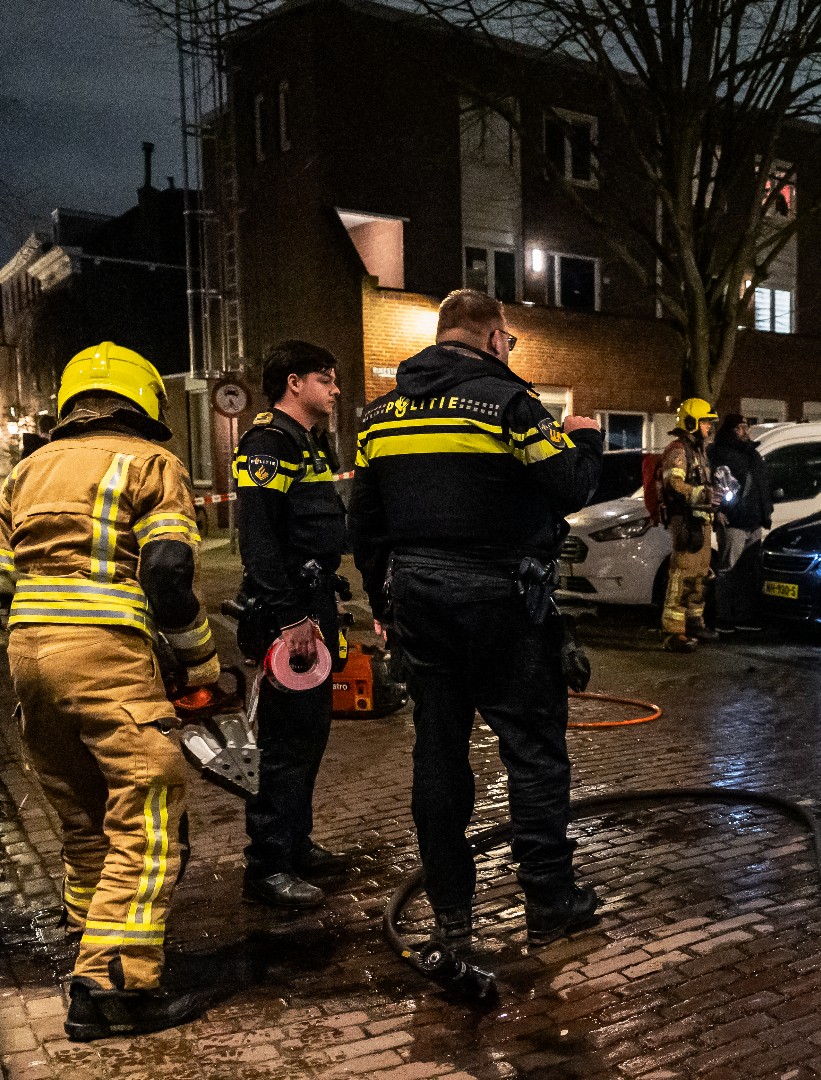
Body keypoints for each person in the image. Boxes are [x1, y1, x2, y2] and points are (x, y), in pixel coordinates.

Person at [350, 290, 604, 953]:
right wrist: (586, 439)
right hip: (502, 604)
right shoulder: (511, 406)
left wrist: (385, 609)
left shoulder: (378, 418)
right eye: (509, 343)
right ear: (494, 339)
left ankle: (451, 918)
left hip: (420, 602)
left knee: (437, 754)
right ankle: (551, 901)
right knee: (533, 749)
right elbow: (570, 488)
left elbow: (365, 526)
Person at [0, 342, 219, 1041]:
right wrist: (200, 662)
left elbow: (3, 581)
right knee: (148, 814)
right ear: (144, 400)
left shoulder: (23, 473)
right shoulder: (152, 463)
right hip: (108, 658)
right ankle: (116, 988)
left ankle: (89, 961)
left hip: (29, 659)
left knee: (84, 820)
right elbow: (170, 573)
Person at [231, 340, 350, 908]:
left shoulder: (307, 445)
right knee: (282, 744)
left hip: (311, 606)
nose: (334, 389)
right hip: (288, 615)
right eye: (326, 379)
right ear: (295, 383)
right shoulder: (267, 444)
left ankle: (296, 845)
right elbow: (257, 543)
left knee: (309, 736)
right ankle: (268, 866)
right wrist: (292, 617)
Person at [657, 398, 719, 651]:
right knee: (682, 576)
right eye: (705, 421)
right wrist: (701, 495)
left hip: (701, 521)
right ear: (691, 422)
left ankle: (694, 623)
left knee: (699, 575)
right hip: (686, 521)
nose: (708, 427)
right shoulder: (679, 450)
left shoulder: (697, 450)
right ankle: (673, 634)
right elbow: (674, 485)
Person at [705, 413, 771, 631]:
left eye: (747, 427)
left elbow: (761, 485)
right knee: (728, 570)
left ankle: (744, 616)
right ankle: (724, 617)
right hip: (733, 521)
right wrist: (719, 512)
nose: (746, 431)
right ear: (730, 430)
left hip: (753, 521)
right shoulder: (721, 454)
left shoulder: (751, 454)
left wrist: (764, 512)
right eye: (741, 427)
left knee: (748, 571)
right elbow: (716, 485)